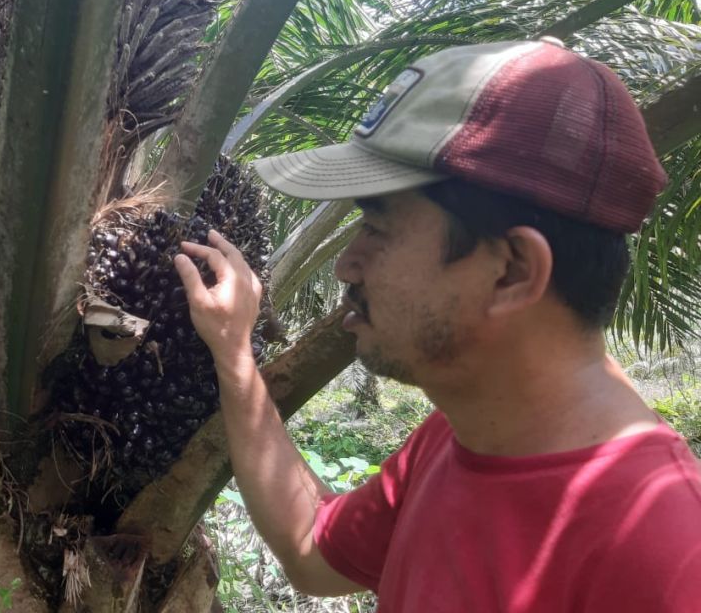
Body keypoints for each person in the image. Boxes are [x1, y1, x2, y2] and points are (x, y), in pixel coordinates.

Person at [173, 39, 701, 611]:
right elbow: (310, 548)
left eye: (378, 228)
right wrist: (234, 354)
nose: (346, 263)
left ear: (512, 273)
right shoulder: (460, 435)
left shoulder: (666, 558)